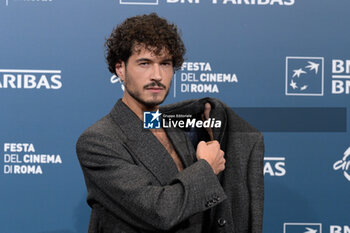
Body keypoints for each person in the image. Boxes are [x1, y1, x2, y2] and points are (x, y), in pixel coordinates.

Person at [76, 13, 264, 233]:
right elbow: (159, 211)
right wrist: (207, 167)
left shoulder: (178, 129)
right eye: (144, 63)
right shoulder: (98, 141)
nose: (157, 75)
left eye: (165, 64)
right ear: (120, 69)